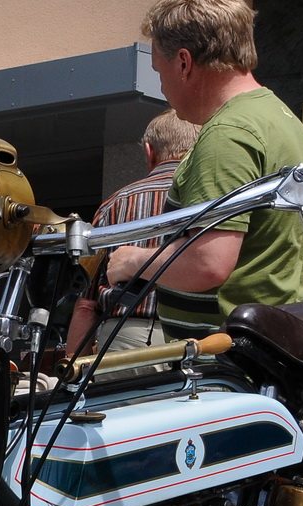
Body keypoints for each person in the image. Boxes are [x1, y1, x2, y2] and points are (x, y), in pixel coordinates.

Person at [105, 0, 303, 341]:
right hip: (271, 339)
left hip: (223, 358)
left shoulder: (228, 133)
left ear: (184, 62)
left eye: (160, 71)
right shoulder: (281, 119)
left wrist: (132, 261)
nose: (162, 87)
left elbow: (208, 264)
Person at [65, 110, 201, 356]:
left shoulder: (115, 204)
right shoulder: (212, 199)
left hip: (123, 336)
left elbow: (87, 303)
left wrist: (72, 371)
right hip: (198, 337)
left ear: (150, 152)